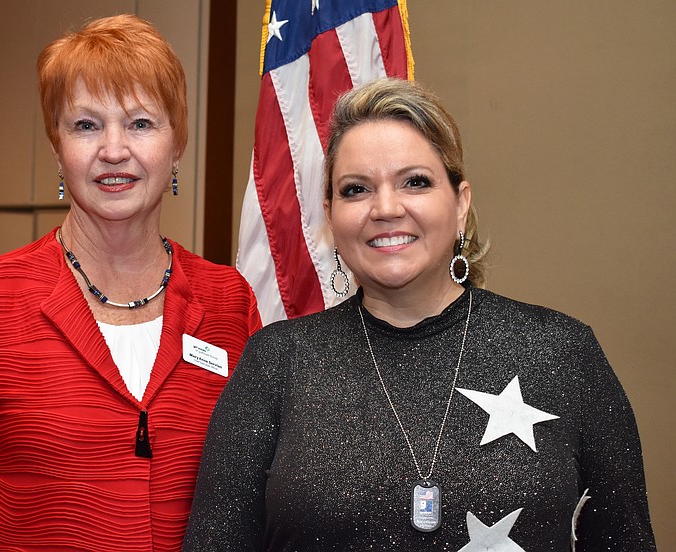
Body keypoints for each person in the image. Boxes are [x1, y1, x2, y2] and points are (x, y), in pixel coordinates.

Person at [182, 78, 656, 551]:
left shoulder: (563, 352)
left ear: (460, 203)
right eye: (356, 189)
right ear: (331, 214)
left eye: (415, 182)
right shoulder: (276, 361)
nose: (386, 208)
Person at [0, 14, 261, 551]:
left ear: (177, 145)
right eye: (86, 125)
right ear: (57, 149)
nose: (113, 150)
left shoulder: (229, 302)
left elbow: (255, 496)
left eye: (140, 123)